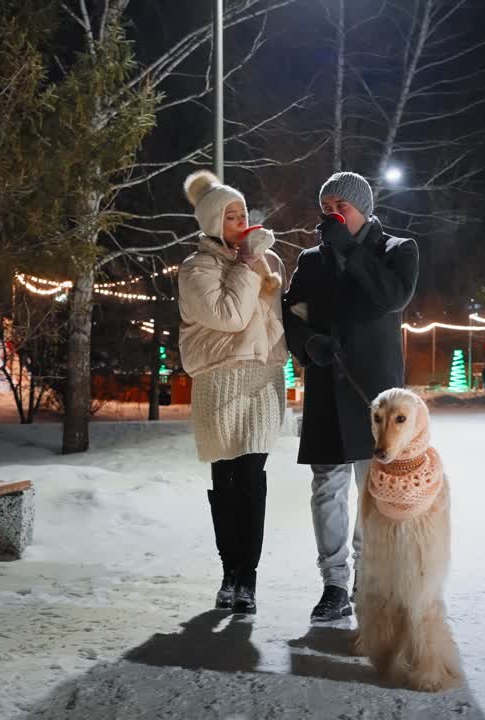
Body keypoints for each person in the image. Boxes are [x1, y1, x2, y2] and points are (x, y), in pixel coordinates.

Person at [282, 171, 420, 622]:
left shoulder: (398, 250)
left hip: (373, 396)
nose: (331, 215)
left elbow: (389, 298)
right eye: (326, 208)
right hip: (327, 387)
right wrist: (307, 344)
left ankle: (368, 576)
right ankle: (334, 583)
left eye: (340, 206)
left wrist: (349, 249)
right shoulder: (310, 260)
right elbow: (291, 314)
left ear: (363, 207)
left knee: (373, 493)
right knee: (327, 489)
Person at [178, 169, 287, 615]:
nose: (241, 223)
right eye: (230, 216)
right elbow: (229, 315)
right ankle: (230, 573)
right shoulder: (195, 268)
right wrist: (244, 266)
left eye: (243, 214)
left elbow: (278, 319)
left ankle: (249, 581)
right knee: (225, 483)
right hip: (218, 384)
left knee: (252, 479)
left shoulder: (268, 264)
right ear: (211, 223)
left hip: (261, 381)